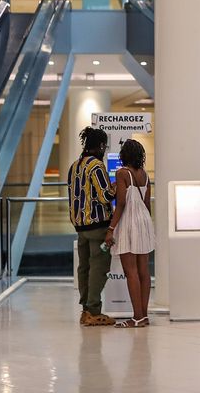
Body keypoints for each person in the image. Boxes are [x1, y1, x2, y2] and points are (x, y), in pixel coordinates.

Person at [67, 126, 115, 327]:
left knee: (84, 268)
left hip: (80, 227)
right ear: (101, 145)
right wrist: (117, 186)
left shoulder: (75, 166)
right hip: (98, 226)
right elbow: (106, 196)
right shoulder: (96, 166)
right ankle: (93, 310)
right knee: (99, 267)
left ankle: (85, 310)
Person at [105, 139, 155, 328]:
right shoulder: (144, 175)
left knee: (130, 271)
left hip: (129, 221)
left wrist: (111, 229)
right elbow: (147, 203)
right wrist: (146, 225)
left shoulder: (122, 173)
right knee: (144, 271)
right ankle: (143, 316)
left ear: (123, 155)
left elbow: (121, 203)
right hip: (144, 221)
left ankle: (137, 317)